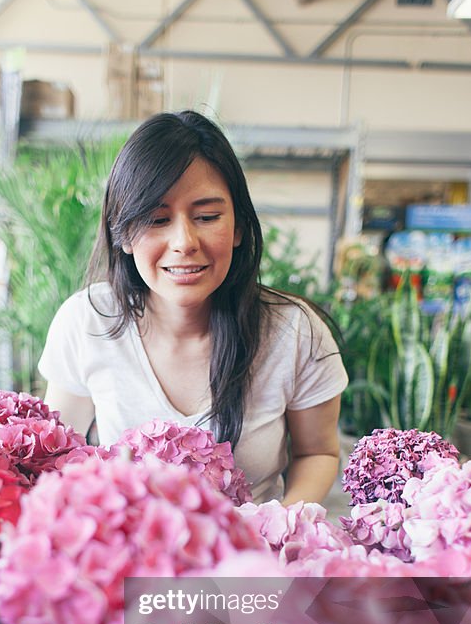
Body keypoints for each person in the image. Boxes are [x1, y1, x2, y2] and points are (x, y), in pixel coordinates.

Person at [39, 110, 348, 505]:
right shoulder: (86, 322)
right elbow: (57, 458)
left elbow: (316, 452)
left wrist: (280, 528)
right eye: (156, 218)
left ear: (238, 227)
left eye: (206, 216)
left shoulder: (295, 332)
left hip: (250, 560)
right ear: (125, 234)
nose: (184, 241)